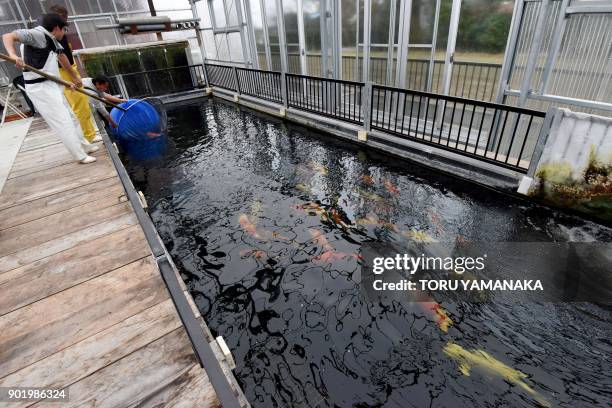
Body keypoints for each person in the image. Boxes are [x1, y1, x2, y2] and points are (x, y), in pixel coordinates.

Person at [2, 13, 98, 163]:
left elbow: (61, 58)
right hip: (40, 89)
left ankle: (84, 146)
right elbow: (8, 36)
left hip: (51, 84)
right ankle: (80, 156)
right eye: (63, 29)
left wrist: (71, 79)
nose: (64, 33)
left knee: (72, 118)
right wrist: (13, 56)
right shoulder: (37, 35)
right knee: (63, 122)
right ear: (55, 28)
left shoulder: (52, 40)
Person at [48, 4, 100, 143]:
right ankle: (88, 136)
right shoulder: (54, 33)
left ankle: (90, 131)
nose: (66, 21)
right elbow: (61, 56)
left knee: (83, 102)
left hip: (70, 69)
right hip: (66, 72)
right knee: (79, 104)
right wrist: (74, 76)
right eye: (64, 18)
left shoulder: (59, 30)